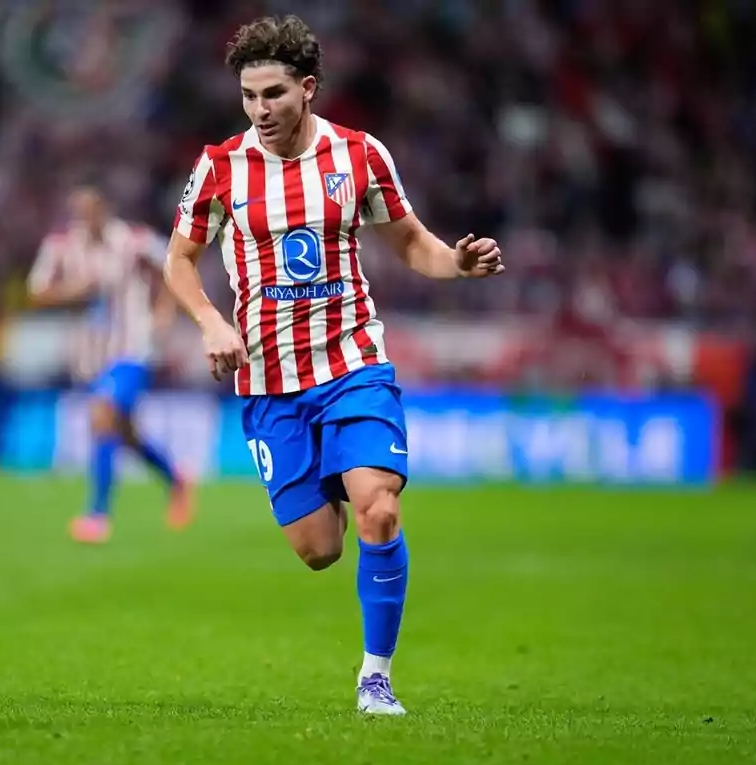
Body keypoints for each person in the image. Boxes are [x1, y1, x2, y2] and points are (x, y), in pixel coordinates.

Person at [163, 15, 505, 715]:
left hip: (353, 363)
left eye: (274, 94)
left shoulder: (359, 155)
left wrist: (458, 264)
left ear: (308, 88)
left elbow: (411, 242)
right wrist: (208, 319)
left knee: (380, 510)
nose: (260, 110)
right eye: (249, 95)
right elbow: (178, 261)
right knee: (319, 549)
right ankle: (339, 475)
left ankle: (375, 676)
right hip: (269, 384)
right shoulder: (221, 167)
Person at [29, 185, 194, 543]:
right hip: (89, 358)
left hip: (132, 349)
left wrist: (164, 311)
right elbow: (36, 291)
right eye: (79, 210)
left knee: (102, 416)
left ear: (104, 207)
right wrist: (73, 292)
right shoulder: (60, 245)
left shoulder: (133, 239)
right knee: (124, 434)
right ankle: (176, 478)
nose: (85, 217)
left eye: (91, 208)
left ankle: (97, 514)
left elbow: (174, 262)